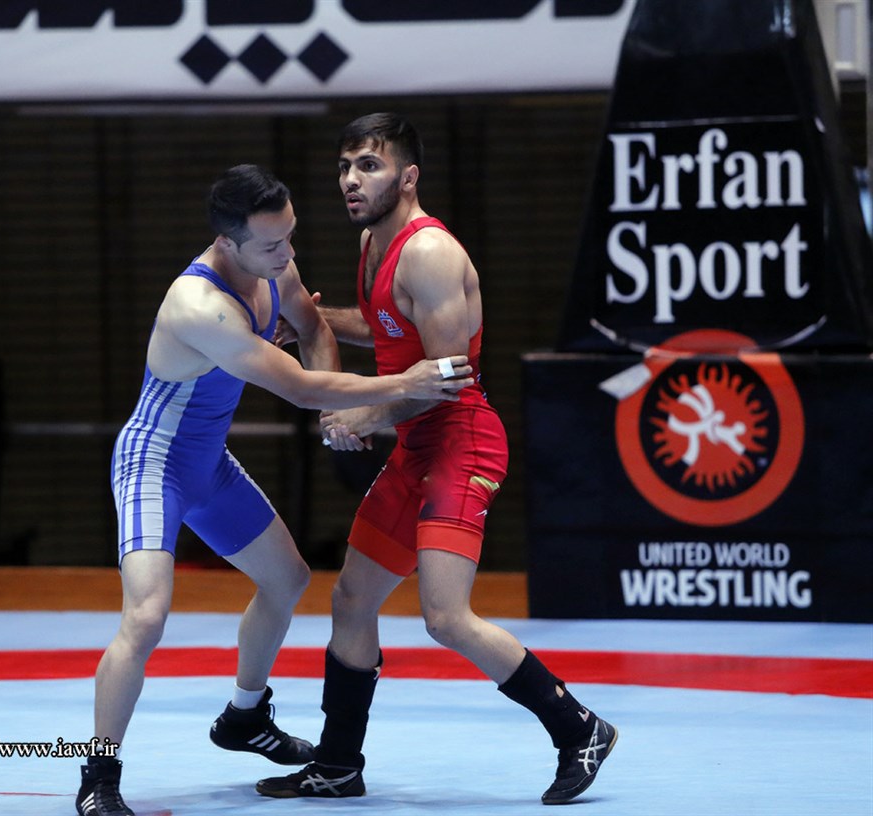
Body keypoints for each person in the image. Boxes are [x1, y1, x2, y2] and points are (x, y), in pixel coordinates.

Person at [76, 163, 478, 816]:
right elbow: (298, 386)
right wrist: (405, 383)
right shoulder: (198, 306)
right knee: (146, 616)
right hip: (154, 465)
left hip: (207, 465)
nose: (287, 255)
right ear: (226, 243)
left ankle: (244, 716)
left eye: (290, 236)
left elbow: (313, 330)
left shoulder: (271, 265)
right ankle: (98, 777)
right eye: (271, 244)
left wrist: (334, 420)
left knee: (287, 580)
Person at [256, 113, 618, 806]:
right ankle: (338, 764)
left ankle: (580, 728)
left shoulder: (429, 253)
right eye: (344, 166)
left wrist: (366, 414)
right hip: (417, 446)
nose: (351, 180)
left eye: (368, 165)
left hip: (461, 440)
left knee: (446, 617)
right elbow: (389, 329)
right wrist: (316, 323)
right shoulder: (372, 243)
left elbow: (446, 377)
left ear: (408, 176)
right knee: (352, 599)